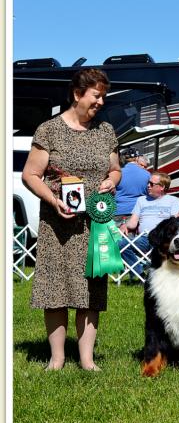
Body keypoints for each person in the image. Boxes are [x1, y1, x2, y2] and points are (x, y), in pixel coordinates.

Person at [22, 68, 121, 371]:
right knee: (56, 291)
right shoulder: (49, 130)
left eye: (104, 96)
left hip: (95, 226)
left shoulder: (105, 131)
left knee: (91, 292)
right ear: (78, 94)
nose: (101, 102)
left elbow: (115, 168)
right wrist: (53, 200)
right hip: (57, 226)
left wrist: (112, 181)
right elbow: (31, 175)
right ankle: (57, 358)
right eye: (96, 95)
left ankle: (87, 359)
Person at [119, 171, 179, 282]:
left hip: (163, 239)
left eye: (152, 184)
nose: (148, 186)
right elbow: (133, 223)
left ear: (162, 187)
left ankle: (161, 278)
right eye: (148, 183)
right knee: (121, 244)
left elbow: (174, 223)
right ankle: (139, 275)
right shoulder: (141, 200)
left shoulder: (173, 201)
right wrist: (125, 225)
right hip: (144, 239)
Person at [114, 147, 150, 226]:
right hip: (137, 212)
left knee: (117, 237)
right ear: (137, 158)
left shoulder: (117, 174)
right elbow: (149, 193)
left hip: (118, 210)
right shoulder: (147, 174)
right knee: (135, 237)